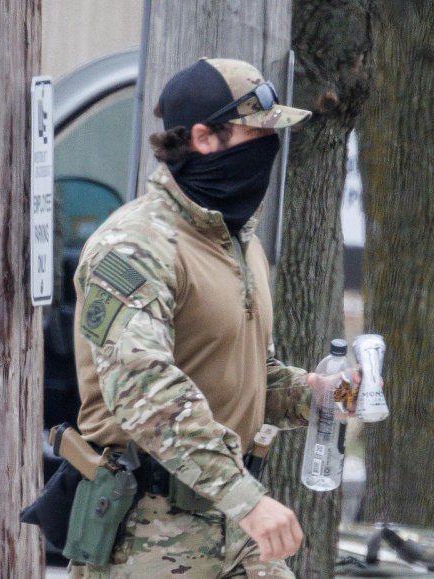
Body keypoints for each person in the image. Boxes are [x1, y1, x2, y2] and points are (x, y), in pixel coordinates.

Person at [70, 58, 317, 577]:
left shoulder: (236, 241)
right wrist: (247, 500)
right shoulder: (135, 246)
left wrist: (319, 394)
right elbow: (144, 392)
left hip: (234, 523)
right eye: (259, 135)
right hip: (150, 533)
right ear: (205, 138)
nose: (271, 149)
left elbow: (242, 373)